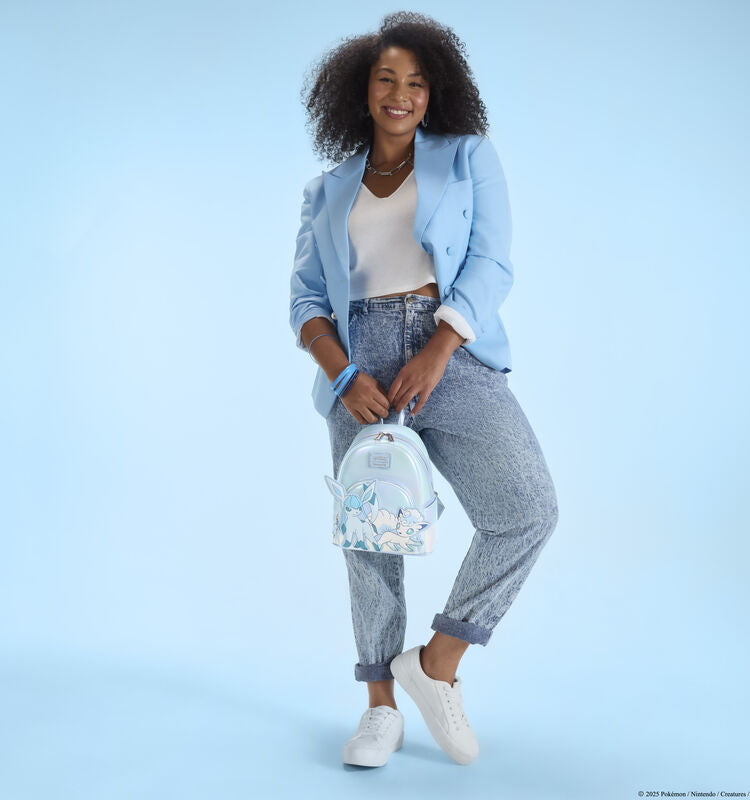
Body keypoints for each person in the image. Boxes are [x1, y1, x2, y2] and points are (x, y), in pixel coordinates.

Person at [289, 12, 559, 767]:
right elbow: (305, 301)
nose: (400, 93)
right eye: (386, 79)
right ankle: (380, 708)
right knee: (370, 540)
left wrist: (440, 347)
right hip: (359, 365)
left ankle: (436, 663)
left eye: (415, 81)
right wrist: (344, 374)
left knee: (527, 510)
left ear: (435, 92)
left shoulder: (468, 156)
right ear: (361, 90)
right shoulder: (327, 189)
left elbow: (492, 264)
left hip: (451, 345)